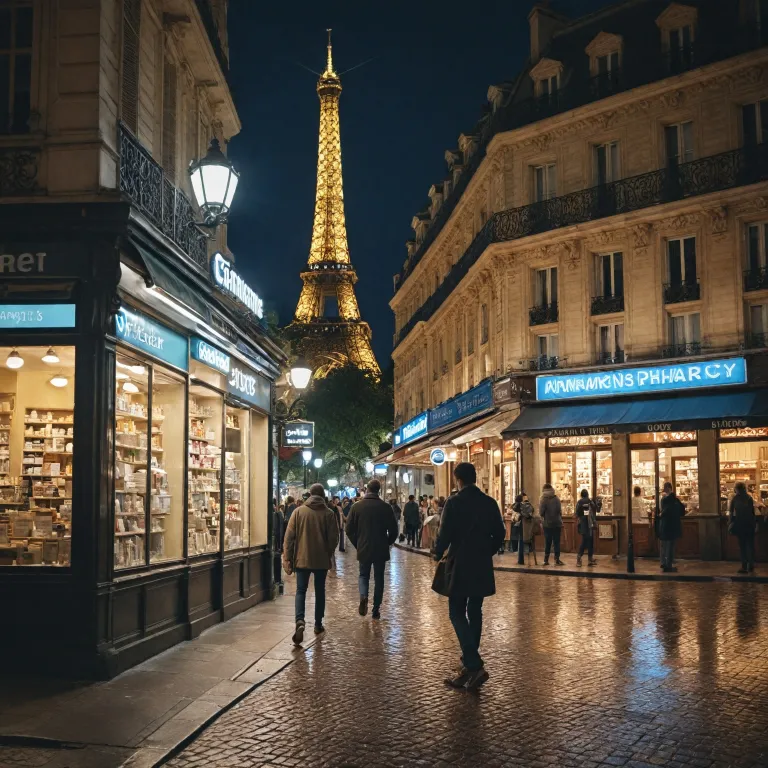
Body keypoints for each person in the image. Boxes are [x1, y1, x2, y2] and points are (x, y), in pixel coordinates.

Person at [434, 462, 505, 691]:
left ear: (458, 480)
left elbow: (444, 533)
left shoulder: (454, 503)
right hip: (481, 564)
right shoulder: (489, 502)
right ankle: (469, 667)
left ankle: (473, 664)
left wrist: (437, 552)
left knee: (456, 611)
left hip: (460, 563)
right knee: (475, 611)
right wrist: (487, 551)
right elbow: (500, 533)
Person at [282, 483, 339, 644]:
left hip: (302, 558)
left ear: (309, 495)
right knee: (320, 590)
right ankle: (318, 624)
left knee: (301, 590)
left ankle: (300, 620)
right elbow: (334, 539)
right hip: (321, 560)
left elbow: (289, 538)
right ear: (322, 496)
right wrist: (327, 552)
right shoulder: (328, 514)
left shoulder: (298, 512)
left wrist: (288, 557)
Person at [345, 479, 399, 619]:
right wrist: (387, 542)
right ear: (378, 490)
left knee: (363, 575)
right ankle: (376, 609)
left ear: (367, 490)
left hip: (364, 547)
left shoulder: (357, 507)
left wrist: (358, 543)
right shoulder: (386, 507)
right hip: (380, 547)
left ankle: (363, 596)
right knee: (379, 578)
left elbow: (349, 529)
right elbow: (394, 530)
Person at [729, 481, 756, 574]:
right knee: (750, 545)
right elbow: (752, 512)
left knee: (742, 546)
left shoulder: (735, 499)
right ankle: (751, 565)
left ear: (736, 489)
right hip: (749, 524)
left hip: (740, 524)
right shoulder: (749, 498)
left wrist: (731, 522)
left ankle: (744, 566)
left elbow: (731, 512)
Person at [658, 481, 684, 572]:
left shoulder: (664, 500)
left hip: (665, 526)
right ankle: (668, 564)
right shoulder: (675, 500)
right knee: (670, 546)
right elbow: (682, 511)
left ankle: (664, 563)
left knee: (664, 545)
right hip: (673, 526)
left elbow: (663, 512)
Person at [539, 483, 565, 566]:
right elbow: (559, 511)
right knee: (556, 541)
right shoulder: (556, 498)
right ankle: (557, 559)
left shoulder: (543, 499)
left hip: (547, 524)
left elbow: (541, 512)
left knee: (548, 542)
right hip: (557, 523)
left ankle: (546, 560)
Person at [575, 489, 597, 566]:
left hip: (582, 524)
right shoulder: (589, 501)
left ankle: (580, 557)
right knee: (590, 541)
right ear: (587, 494)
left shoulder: (579, 502)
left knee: (585, 540)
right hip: (589, 523)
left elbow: (576, 513)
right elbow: (594, 509)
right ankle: (589, 558)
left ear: (581, 495)